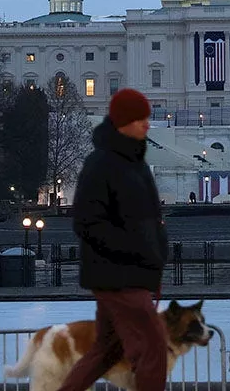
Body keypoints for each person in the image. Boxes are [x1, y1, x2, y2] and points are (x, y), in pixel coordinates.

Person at [57, 88, 169, 391]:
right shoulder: (102, 164)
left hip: (129, 272)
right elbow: (86, 222)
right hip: (118, 275)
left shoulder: (135, 163)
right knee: (152, 347)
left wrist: (156, 250)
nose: (147, 123)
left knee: (106, 351)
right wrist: (137, 251)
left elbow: (147, 217)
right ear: (123, 122)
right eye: (140, 118)